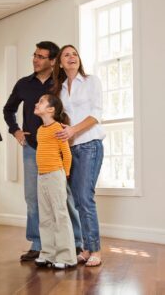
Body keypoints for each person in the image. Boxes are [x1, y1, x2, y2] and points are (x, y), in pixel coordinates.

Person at [3, 42, 83, 262]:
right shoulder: (23, 84)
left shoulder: (61, 82)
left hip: (56, 147)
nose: (35, 59)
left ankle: (76, 242)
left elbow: (70, 109)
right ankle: (38, 244)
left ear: (52, 61)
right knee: (32, 197)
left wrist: (69, 131)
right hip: (31, 148)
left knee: (64, 196)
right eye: (34, 55)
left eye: (41, 56)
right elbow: (8, 109)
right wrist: (16, 131)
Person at [52, 44, 105, 267]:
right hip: (70, 149)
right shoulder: (60, 90)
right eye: (66, 55)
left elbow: (96, 114)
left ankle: (96, 250)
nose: (72, 57)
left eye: (74, 54)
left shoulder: (91, 81)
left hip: (90, 144)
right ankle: (84, 248)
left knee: (84, 198)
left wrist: (73, 130)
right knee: (74, 200)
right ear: (61, 63)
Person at [34, 94, 77, 269]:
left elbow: (66, 154)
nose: (37, 103)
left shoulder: (57, 128)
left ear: (51, 109)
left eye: (41, 102)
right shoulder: (40, 130)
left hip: (55, 175)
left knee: (60, 215)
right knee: (45, 216)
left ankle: (67, 257)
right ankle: (48, 254)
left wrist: (64, 174)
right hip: (41, 175)